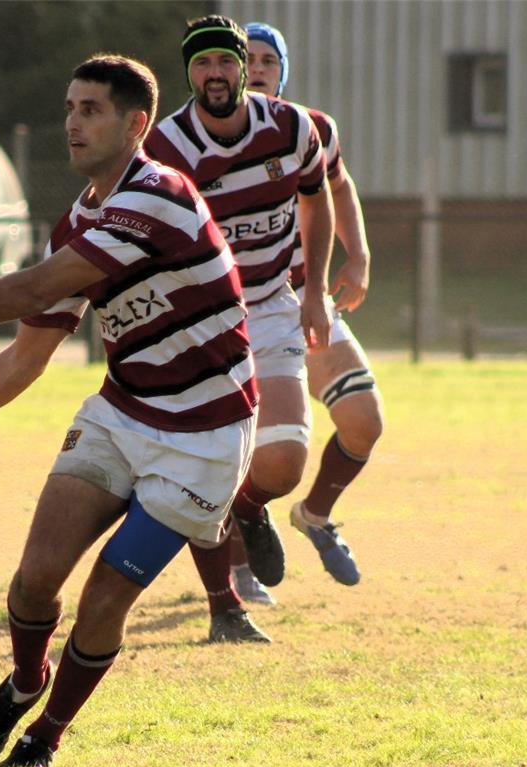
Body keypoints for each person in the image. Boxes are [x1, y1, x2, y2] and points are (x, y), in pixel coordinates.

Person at [0, 54, 256, 767]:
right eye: (70, 107)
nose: (73, 122)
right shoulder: (79, 219)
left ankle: (45, 737)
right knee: (34, 579)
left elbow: (38, 286)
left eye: (91, 110)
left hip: (203, 438)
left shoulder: (159, 197)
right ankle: (24, 681)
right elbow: (26, 355)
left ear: (136, 125)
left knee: (104, 599)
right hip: (123, 413)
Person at [144, 15, 334, 643]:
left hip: (275, 303)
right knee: (209, 467)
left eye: (226, 62)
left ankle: (253, 510)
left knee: (284, 462)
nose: (217, 74)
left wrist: (315, 291)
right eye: (202, 65)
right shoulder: (168, 148)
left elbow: (318, 199)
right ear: (189, 73)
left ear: (243, 68)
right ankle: (225, 606)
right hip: (204, 315)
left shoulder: (289, 128)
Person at [220, 22, 383, 605]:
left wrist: (358, 256)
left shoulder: (310, 129)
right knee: (256, 447)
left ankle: (315, 516)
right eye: (249, 58)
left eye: (269, 60)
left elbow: (339, 187)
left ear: (281, 71)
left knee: (364, 421)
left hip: (302, 298)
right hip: (235, 314)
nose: (258, 68)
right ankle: (237, 567)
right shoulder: (201, 138)